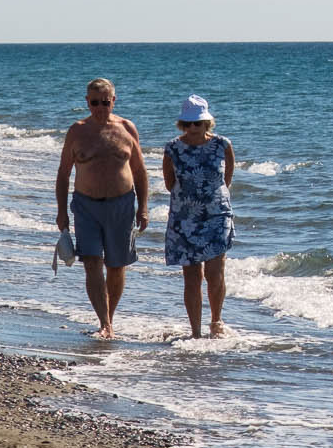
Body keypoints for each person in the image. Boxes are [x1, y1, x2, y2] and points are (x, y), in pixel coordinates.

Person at [55, 78, 148, 339]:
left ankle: (110, 317)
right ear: (87, 102)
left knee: (117, 266)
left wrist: (144, 208)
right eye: (94, 102)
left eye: (105, 102)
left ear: (113, 101)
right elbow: (63, 174)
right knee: (92, 262)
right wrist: (61, 212)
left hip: (122, 205)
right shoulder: (77, 131)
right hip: (86, 206)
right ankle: (104, 323)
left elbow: (140, 172)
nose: (99, 107)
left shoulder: (127, 128)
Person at [162, 94, 236, 338]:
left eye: (198, 123)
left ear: (208, 123)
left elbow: (226, 180)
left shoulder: (222, 145)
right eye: (188, 123)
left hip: (216, 215)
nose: (193, 128)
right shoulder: (172, 148)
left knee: (215, 273)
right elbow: (169, 183)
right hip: (185, 217)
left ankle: (216, 322)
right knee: (192, 276)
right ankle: (195, 333)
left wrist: (211, 200)